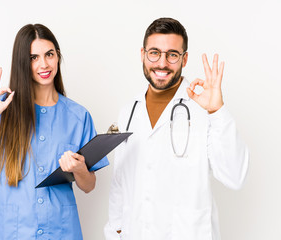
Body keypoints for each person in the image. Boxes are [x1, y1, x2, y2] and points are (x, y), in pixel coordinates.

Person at [0, 23, 109, 239]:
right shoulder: (3, 109)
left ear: (58, 56)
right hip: (13, 232)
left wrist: (78, 169)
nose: (44, 64)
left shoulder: (78, 116)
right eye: (33, 58)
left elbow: (89, 185)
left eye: (49, 54)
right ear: (23, 62)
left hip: (62, 232)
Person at [104, 17, 249, 240]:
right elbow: (120, 183)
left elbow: (234, 176)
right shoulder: (129, 111)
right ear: (143, 54)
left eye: (172, 54)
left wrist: (217, 111)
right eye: (154, 53)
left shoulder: (203, 109)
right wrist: (115, 232)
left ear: (185, 58)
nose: (162, 63)